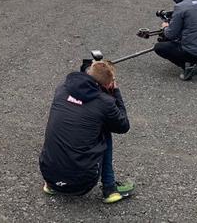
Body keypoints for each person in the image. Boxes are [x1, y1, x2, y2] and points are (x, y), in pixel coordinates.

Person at [39, 60, 135, 204]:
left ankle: (52, 185)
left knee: (68, 124)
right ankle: (109, 189)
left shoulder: (62, 89)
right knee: (104, 129)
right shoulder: (105, 102)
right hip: (82, 181)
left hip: (48, 173)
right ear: (108, 84)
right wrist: (116, 93)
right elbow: (123, 126)